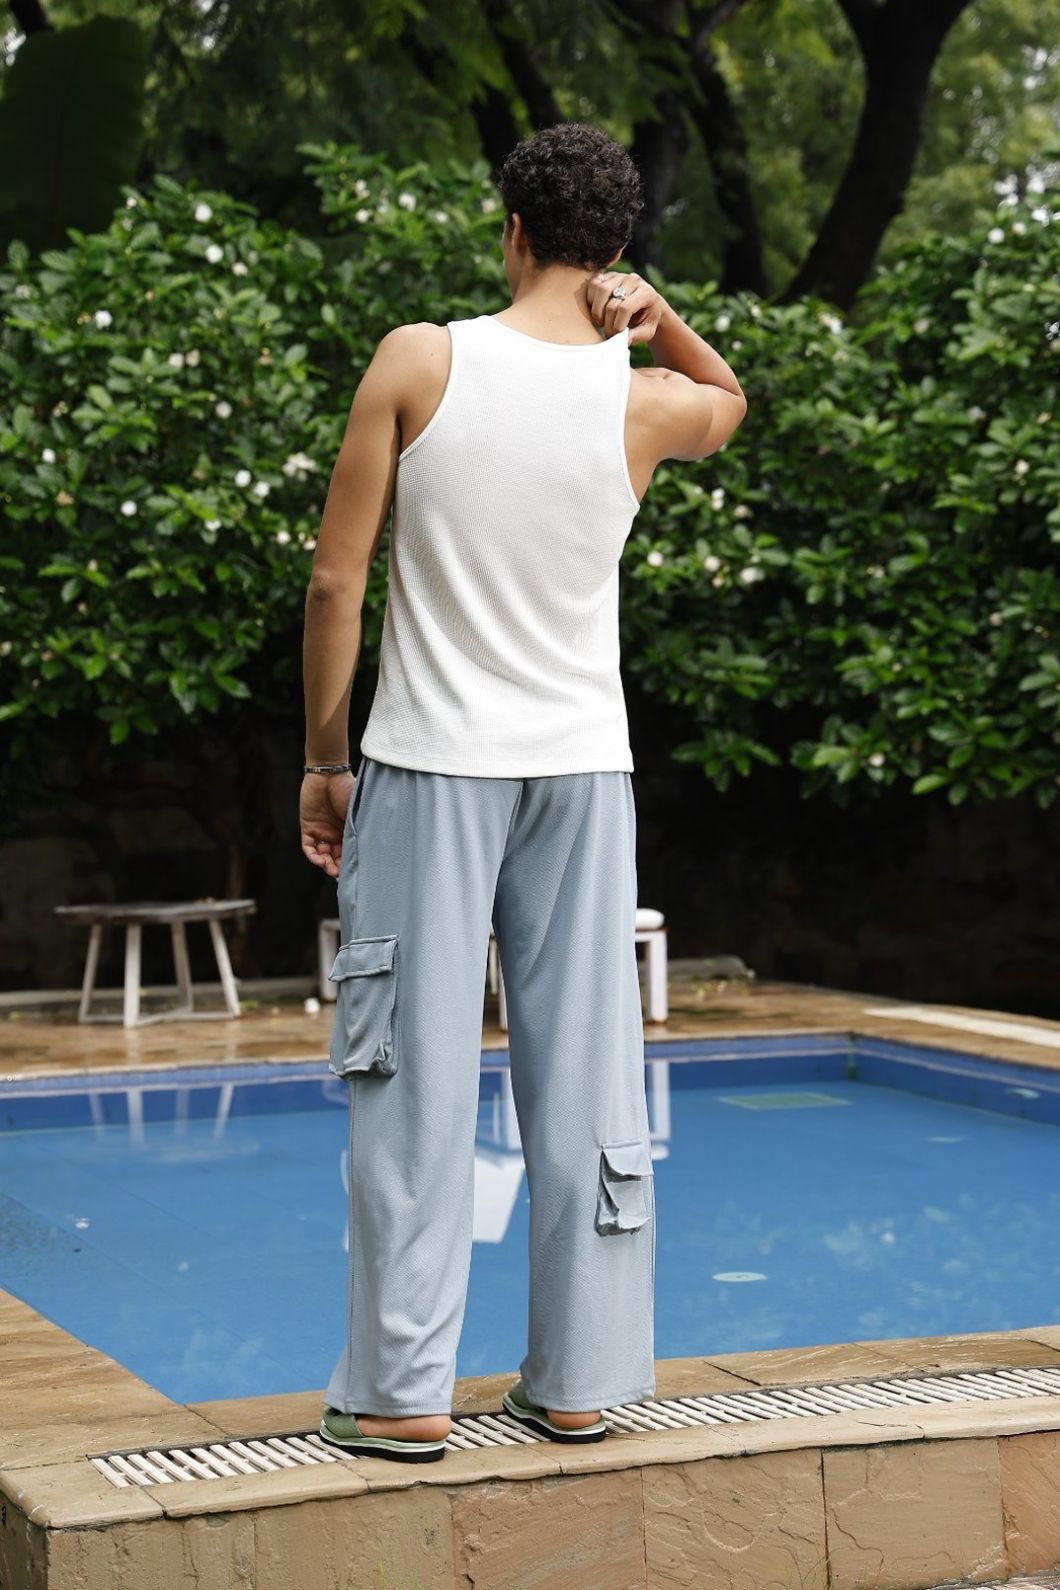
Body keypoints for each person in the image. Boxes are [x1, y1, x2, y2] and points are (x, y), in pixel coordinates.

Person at [299, 121, 747, 1463]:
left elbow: (335, 582)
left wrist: (325, 761)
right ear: (615, 252)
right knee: (588, 1073)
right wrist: (659, 318)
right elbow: (730, 399)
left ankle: (401, 1394)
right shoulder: (644, 400)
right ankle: (578, 1383)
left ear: (511, 232)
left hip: (430, 763)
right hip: (583, 773)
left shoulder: (418, 360)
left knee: (413, 1078)